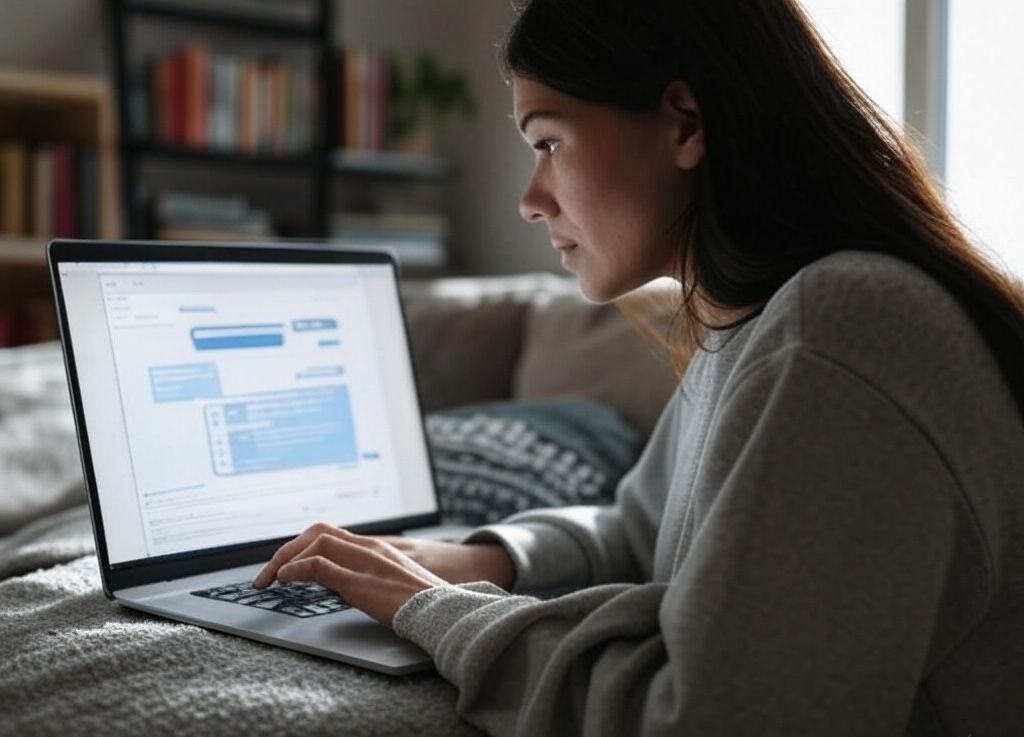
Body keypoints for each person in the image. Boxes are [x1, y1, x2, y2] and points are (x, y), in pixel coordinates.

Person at [254, 1, 1024, 734]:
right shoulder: (746, 331)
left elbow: (707, 724)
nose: (529, 198)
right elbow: (638, 528)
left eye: (549, 142)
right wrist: (488, 556)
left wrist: (432, 607)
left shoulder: (846, 328)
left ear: (684, 122)